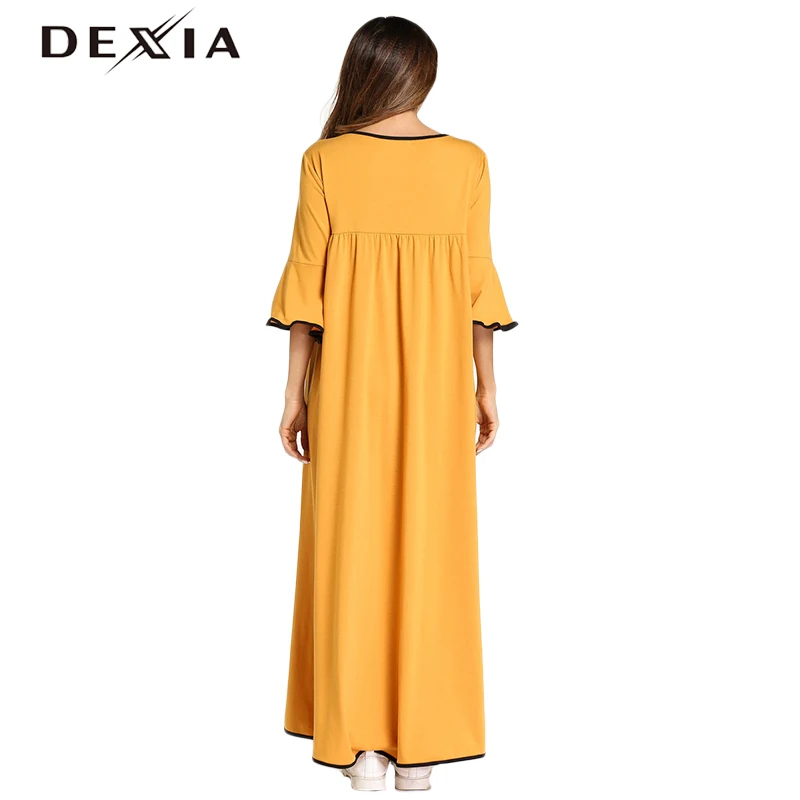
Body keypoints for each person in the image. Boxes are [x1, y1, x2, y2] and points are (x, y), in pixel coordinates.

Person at [266, 16, 518, 792]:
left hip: (346, 388)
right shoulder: (466, 162)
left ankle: (361, 748)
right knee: (430, 551)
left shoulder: (325, 161)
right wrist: (485, 385)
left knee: (351, 549)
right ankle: (421, 747)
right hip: (437, 388)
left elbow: (305, 291)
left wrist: (294, 395)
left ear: (362, 72)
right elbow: (478, 286)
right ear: (424, 74)